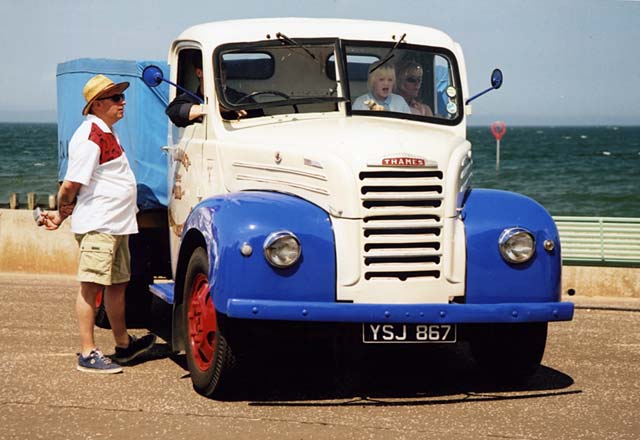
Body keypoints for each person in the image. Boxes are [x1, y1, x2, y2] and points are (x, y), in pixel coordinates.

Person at [40, 74, 156, 374]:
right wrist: (61, 212)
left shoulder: (106, 132)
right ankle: (88, 352)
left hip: (116, 225)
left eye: (121, 97)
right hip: (99, 225)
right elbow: (71, 185)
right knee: (90, 287)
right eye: (116, 98)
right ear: (98, 104)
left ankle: (123, 345)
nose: (123, 102)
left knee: (118, 286)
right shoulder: (91, 135)